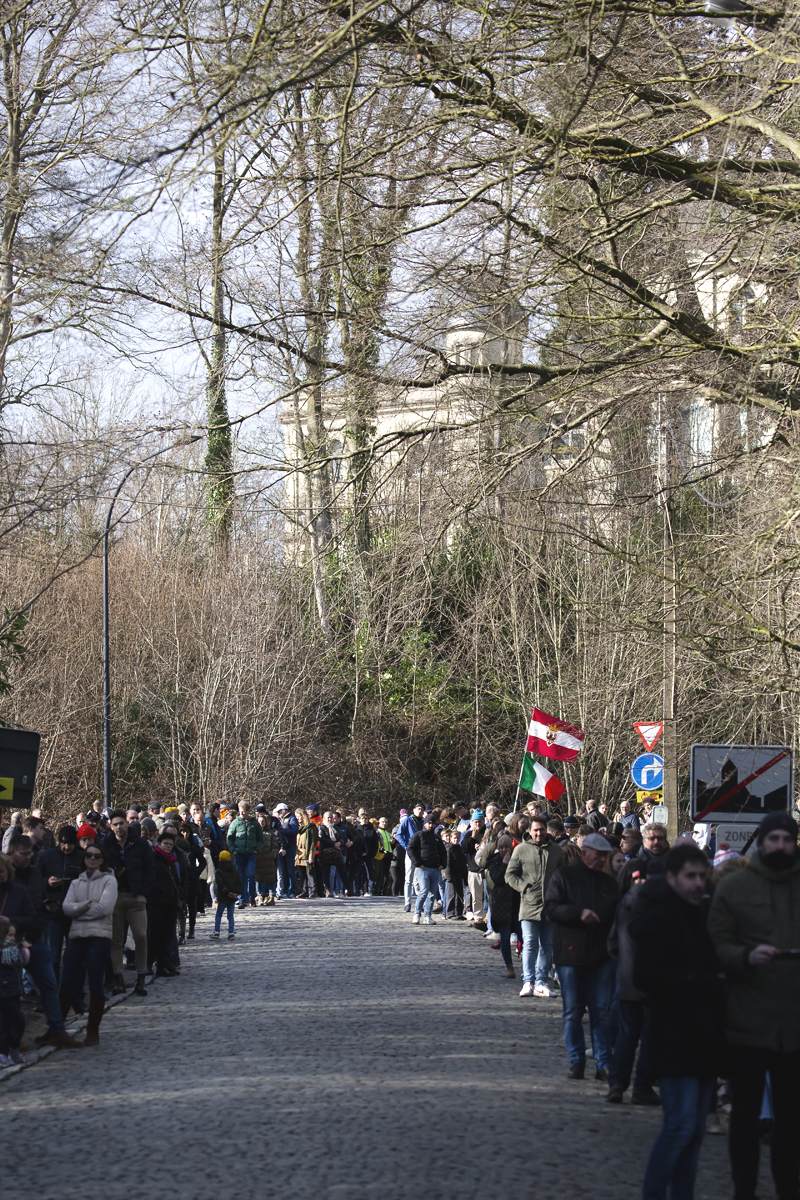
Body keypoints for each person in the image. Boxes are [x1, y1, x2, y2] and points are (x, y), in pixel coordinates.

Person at [707, 812, 800, 1200]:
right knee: (745, 1118)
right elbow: (715, 944)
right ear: (761, 841)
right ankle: (744, 1190)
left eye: (786, 839)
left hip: (794, 1027)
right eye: (773, 838)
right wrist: (745, 956)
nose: (780, 845)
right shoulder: (734, 886)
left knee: (791, 1122)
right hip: (747, 1022)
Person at [633, 842, 723, 1200]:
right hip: (673, 1036)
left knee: (696, 1130)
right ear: (672, 878)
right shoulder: (659, 916)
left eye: (703, 876)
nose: (698, 883)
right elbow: (646, 978)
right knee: (679, 1126)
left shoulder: (702, 914)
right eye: (691, 876)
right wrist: (699, 982)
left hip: (704, 1035)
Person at [544, 832, 619, 1080]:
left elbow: (617, 918)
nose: (601, 861)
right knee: (573, 1011)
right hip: (570, 953)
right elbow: (551, 909)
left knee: (601, 1011)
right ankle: (576, 1060)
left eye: (604, 857)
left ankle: (603, 1062)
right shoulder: (565, 877)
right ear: (585, 853)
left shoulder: (609, 884)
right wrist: (578, 913)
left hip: (600, 955)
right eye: (597, 856)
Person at [7, 835, 83, 1049]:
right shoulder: (7, 876)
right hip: (12, 940)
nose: (28, 857)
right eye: (23, 854)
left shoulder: (33, 871)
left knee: (49, 984)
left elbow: (33, 903)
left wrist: (45, 906)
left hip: (35, 935)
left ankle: (56, 1030)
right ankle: (12, 1037)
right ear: (12, 853)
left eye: (30, 853)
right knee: (12, 990)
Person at [606, 869, 658, 1106]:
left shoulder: (624, 903)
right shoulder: (659, 906)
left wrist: (624, 965)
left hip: (628, 979)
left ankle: (617, 1084)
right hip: (652, 982)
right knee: (648, 1037)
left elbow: (613, 943)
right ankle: (642, 1087)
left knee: (627, 1035)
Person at [60, 840, 118, 1046]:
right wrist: (84, 907)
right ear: (83, 859)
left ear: (102, 860)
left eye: (96, 856)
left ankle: (93, 1031)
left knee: (96, 982)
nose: (92, 859)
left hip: (98, 937)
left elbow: (104, 908)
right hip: (77, 937)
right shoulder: (77, 883)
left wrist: (79, 912)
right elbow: (66, 908)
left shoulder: (109, 881)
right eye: (88, 855)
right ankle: (58, 1030)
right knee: (67, 981)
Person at [506, 814, 564, 998]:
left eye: (542, 829)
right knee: (530, 943)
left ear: (547, 830)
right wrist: (524, 887)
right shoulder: (521, 850)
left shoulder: (556, 851)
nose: (539, 833)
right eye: (536, 830)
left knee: (547, 945)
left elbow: (564, 875)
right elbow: (510, 875)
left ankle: (540, 982)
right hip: (529, 904)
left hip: (550, 905)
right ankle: (528, 981)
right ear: (529, 831)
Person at [101, 809, 154, 997]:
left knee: (140, 936)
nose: (118, 827)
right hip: (114, 897)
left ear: (126, 823)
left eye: (121, 823)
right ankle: (119, 979)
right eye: (114, 824)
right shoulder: (106, 844)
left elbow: (150, 869)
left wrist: (143, 894)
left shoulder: (139, 844)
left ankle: (141, 977)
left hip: (135, 897)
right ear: (110, 825)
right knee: (116, 940)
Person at [37, 825, 84, 984]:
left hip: (74, 912)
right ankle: (51, 989)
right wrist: (47, 883)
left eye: (70, 844)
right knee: (52, 955)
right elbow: (35, 880)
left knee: (74, 956)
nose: (66, 847)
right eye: (64, 843)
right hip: (53, 911)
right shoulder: (47, 856)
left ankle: (71, 990)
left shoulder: (81, 857)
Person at [486, 833, 520, 977]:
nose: (504, 850)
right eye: (501, 847)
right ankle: (509, 966)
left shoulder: (518, 859)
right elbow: (498, 879)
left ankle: (529, 966)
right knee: (505, 938)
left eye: (506, 847)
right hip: (502, 904)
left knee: (524, 936)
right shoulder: (493, 862)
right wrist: (505, 864)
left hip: (517, 903)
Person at [148, 831, 182, 976]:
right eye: (165, 844)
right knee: (154, 935)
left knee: (167, 935)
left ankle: (164, 965)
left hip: (170, 901)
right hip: (156, 902)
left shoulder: (171, 861)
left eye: (170, 844)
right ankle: (148, 965)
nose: (168, 846)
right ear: (159, 844)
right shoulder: (153, 858)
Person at [0, 914, 30, 1065]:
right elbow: (7, 958)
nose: (13, 938)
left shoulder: (12, 949)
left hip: (15, 992)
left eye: (14, 935)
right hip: (3, 993)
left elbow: (21, 960)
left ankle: (9, 1051)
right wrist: (20, 947)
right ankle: (7, 1051)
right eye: (10, 935)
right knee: (17, 1020)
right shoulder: (5, 950)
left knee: (7, 1023)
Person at [406, 814, 446, 925]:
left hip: (435, 869)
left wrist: (443, 864)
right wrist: (417, 863)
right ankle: (417, 914)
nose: (431, 825)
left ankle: (427, 916)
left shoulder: (437, 839)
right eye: (429, 823)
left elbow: (443, 853)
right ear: (425, 823)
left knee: (432, 894)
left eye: (433, 823)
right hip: (423, 869)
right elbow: (410, 849)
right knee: (423, 892)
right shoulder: (418, 836)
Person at [226, 801, 263, 908]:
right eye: (240, 811)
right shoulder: (235, 823)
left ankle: (252, 898)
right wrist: (233, 850)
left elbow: (260, 838)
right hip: (239, 853)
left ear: (248, 811)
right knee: (241, 876)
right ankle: (242, 899)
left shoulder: (254, 823)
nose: (242, 814)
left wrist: (257, 849)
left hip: (251, 853)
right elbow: (230, 837)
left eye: (244, 812)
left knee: (251, 875)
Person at [618, 823, 669, 894]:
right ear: (644, 842)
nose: (656, 842)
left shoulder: (675, 865)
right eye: (651, 839)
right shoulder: (632, 866)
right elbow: (618, 894)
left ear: (666, 841)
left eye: (660, 838)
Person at [396, 803, 425, 912]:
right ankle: (407, 903)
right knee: (408, 878)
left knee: (420, 879)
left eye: (422, 809)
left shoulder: (424, 822)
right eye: (418, 809)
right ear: (414, 810)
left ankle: (420, 903)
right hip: (411, 852)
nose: (420, 811)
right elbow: (399, 835)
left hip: (421, 853)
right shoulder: (408, 820)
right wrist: (406, 846)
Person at [461, 812, 488, 930]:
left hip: (487, 869)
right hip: (473, 869)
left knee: (488, 895)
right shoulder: (468, 834)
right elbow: (464, 849)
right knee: (476, 895)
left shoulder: (488, 833)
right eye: (476, 822)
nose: (478, 824)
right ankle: (478, 916)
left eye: (480, 822)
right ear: (472, 823)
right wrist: (472, 839)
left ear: (484, 821)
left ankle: (488, 916)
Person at [212, 851, 240, 939]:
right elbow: (239, 883)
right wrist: (236, 893)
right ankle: (231, 932)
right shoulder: (234, 870)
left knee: (219, 914)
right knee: (230, 915)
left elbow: (220, 884)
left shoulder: (219, 871)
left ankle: (217, 931)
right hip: (232, 897)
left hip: (223, 896)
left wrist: (227, 892)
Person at [254, 811, 279, 905]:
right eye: (259, 822)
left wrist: (272, 856)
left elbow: (275, 846)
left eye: (263, 821)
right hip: (258, 859)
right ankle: (260, 896)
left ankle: (271, 896)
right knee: (259, 879)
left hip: (269, 860)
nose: (261, 824)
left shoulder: (271, 833)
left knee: (270, 879)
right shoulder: (255, 834)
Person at [275, 804, 298, 899]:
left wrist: (282, 831)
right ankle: (284, 890)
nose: (279, 813)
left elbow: (294, 830)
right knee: (282, 871)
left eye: (280, 811)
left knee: (290, 870)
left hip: (290, 847)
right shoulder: (280, 820)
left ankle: (292, 890)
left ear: (284, 810)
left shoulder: (292, 819)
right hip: (281, 847)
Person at [295, 808, 319, 898]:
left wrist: (311, 856)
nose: (297, 818)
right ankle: (304, 890)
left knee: (310, 872)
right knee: (302, 873)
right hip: (300, 853)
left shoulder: (311, 827)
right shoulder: (299, 828)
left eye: (299, 816)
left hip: (308, 853)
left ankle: (312, 890)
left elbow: (313, 842)